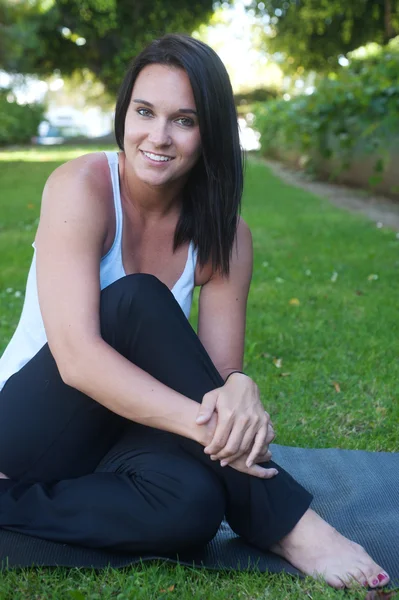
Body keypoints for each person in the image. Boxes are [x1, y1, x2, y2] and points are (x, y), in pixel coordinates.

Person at [0, 34, 390, 590]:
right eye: (144, 112)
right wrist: (211, 429)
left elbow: (213, 373)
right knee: (138, 299)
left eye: (183, 120)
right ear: (124, 114)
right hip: (30, 427)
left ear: (210, 132)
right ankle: (291, 524)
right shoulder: (81, 186)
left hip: (125, 430)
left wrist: (240, 386)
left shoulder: (227, 238)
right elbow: (78, 360)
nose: (157, 137)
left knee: (197, 507)